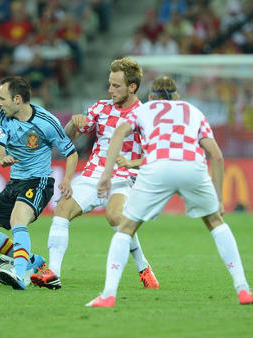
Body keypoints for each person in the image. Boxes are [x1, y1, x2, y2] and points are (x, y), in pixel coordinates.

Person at [87, 76, 253, 307]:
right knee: (216, 222)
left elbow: (118, 134)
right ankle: (243, 289)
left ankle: (108, 295)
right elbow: (216, 155)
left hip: (157, 168)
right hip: (192, 166)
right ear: (177, 96)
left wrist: (106, 175)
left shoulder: (144, 110)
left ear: (151, 96)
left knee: (125, 229)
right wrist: (218, 199)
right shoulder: (193, 111)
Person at [31, 58, 159, 290]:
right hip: (92, 175)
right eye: (109, 84)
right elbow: (67, 139)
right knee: (62, 209)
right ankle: (54, 273)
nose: (110, 90)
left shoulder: (144, 115)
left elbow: (155, 156)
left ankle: (143, 267)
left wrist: (131, 163)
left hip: (124, 178)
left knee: (115, 217)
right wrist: (73, 123)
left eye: (116, 86)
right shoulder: (100, 108)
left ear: (132, 87)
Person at [0, 76, 78, 290]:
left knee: (18, 220)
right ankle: (30, 261)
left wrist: (66, 180)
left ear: (17, 99)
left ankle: (19, 274)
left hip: (38, 182)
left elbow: (71, 153)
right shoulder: (3, 117)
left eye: (2, 98)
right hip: (15, 183)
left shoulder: (47, 122)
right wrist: (1, 158)